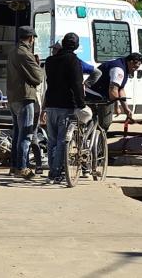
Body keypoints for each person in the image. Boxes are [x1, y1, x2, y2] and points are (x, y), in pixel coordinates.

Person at [44, 33, 88, 183]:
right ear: (76, 46)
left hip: (50, 104)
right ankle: (56, 173)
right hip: (66, 105)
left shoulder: (50, 61)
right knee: (63, 140)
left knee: (52, 140)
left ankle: (52, 169)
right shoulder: (73, 61)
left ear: (62, 44)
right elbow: (77, 84)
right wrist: (81, 104)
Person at [7, 26, 44, 179]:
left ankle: (14, 166)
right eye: (33, 38)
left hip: (13, 97)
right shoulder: (25, 54)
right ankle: (23, 167)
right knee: (26, 134)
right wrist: (37, 64)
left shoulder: (12, 51)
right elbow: (38, 77)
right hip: (25, 97)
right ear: (30, 38)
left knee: (17, 133)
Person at [88, 53, 142, 131]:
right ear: (130, 62)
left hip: (94, 92)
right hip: (95, 93)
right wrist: (116, 106)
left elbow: (121, 89)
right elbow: (113, 90)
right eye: (135, 67)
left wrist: (126, 109)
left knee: (97, 122)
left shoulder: (124, 66)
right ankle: (97, 139)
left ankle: (91, 136)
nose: (135, 69)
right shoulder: (119, 69)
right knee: (104, 123)